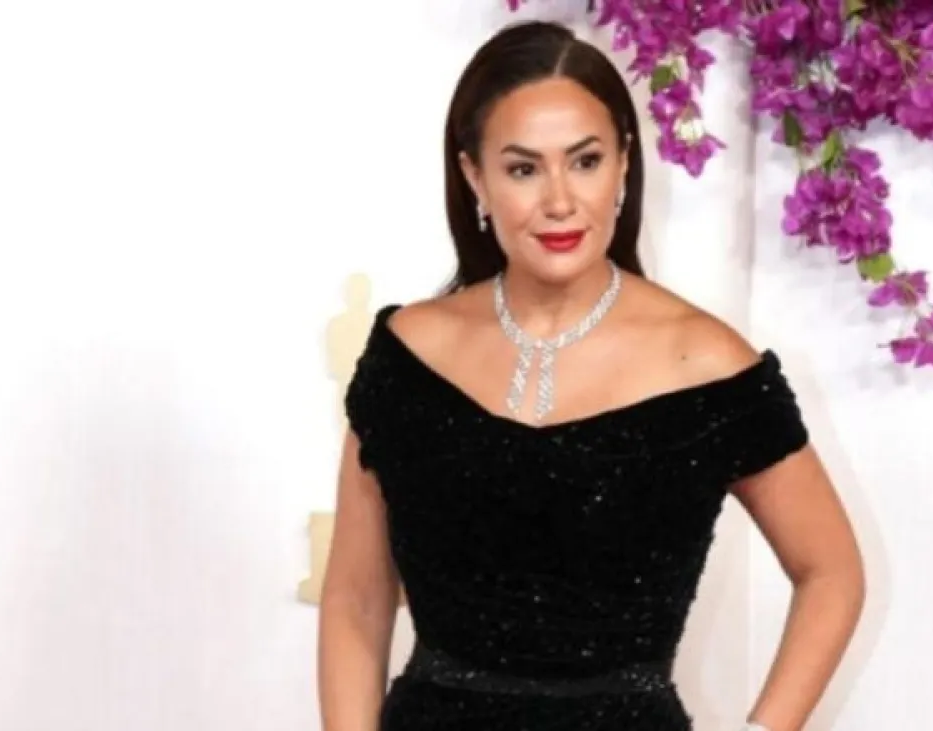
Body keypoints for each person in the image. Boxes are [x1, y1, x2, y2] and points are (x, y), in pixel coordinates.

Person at [317, 19, 865, 731]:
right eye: (523, 169)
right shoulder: (406, 356)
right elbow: (356, 601)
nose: (559, 201)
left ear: (624, 164)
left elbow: (831, 571)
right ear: (475, 177)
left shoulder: (709, 366)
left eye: (585, 161)